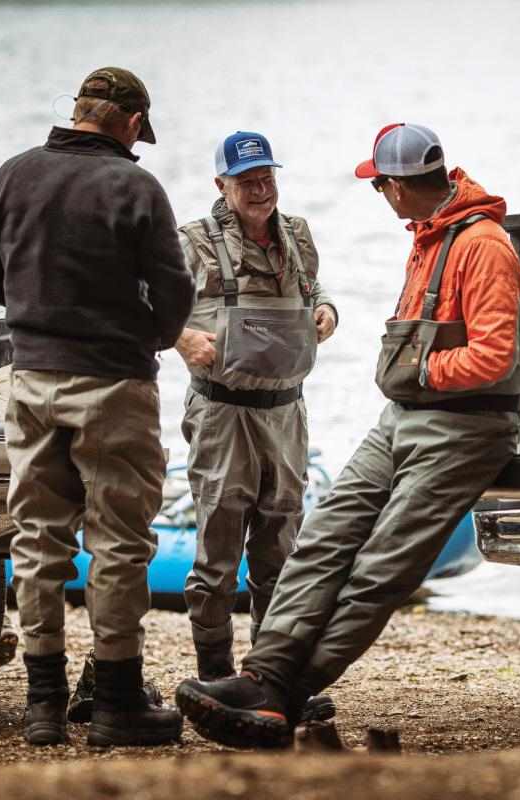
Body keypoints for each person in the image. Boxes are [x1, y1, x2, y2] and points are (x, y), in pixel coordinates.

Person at [174, 123, 520, 749]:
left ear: (397, 187)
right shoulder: (428, 235)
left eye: (378, 185)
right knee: (325, 535)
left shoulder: (485, 246)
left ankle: (282, 694)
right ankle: (260, 672)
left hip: (465, 426)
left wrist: (421, 368)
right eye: (248, 180)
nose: (261, 190)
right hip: (399, 417)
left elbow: (495, 357)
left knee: (378, 568)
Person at [0, 66, 193, 747]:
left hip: (32, 381)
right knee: (120, 544)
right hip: (113, 387)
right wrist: (150, 340)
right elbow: (175, 291)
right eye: (139, 134)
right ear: (129, 123)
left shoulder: (12, 174)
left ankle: (43, 705)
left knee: (37, 541)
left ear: (77, 112)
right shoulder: (134, 185)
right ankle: (116, 705)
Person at [172, 131, 337, 684]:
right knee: (217, 555)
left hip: (287, 412)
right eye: (247, 181)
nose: (261, 189)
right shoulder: (193, 240)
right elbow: (146, 306)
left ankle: (271, 674)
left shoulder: (297, 234)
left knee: (282, 551)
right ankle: (215, 676)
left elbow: (315, 292)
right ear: (221, 184)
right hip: (223, 412)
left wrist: (329, 312)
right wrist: (180, 337)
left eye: (267, 177)